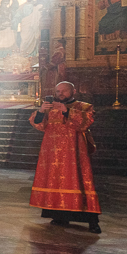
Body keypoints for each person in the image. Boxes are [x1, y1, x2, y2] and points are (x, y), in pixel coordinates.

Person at [29, 81, 101, 233]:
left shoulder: (84, 107)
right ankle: (59, 215)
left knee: (80, 183)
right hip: (52, 154)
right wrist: (41, 111)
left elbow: (85, 123)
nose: (60, 94)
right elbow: (38, 124)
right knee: (54, 183)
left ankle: (92, 221)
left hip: (74, 154)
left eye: (64, 91)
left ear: (73, 91)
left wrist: (66, 111)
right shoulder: (50, 108)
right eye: (58, 91)